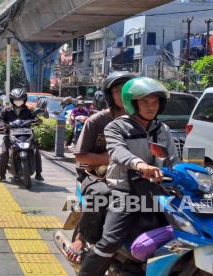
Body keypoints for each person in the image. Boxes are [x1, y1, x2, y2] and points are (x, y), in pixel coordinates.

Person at [78, 77, 179, 276]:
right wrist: (140, 165)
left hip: (157, 190)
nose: (151, 107)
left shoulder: (162, 130)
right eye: (145, 102)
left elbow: (174, 160)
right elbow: (118, 151)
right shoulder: (116, 127)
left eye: (155, 101)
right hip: (125, 191)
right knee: (110, 241)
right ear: (133, 104)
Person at [66, 71, 136, 264]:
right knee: (102, 194)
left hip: (134, 175)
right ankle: (82, 237)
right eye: (118, 91)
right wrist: (109, 159)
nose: (123, 95)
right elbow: (80, 156)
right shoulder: (97, 121)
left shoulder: (144, 120)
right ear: (109, 95)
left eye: (128, 91)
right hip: (95, 175)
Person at [0, 88, 44, 182]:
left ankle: (38, 173)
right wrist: (1, 124)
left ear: (24, 100)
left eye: (20, 99)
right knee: (5, 153)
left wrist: (38, 120)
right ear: (12, 100)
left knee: (36, 151)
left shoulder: (29, 110)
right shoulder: (6, 110)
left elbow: (36, 117)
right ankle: (1, 174)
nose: (18, 102)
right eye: (16, 100)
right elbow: (0, 119)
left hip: (26, 134)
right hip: (10, 134)